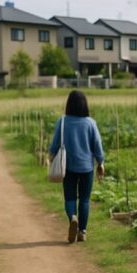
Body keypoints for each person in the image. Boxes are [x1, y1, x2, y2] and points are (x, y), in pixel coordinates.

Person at [48, 90, 105, 243]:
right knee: (85, 200)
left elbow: (55, 144)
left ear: (69, 104)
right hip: (87, 167)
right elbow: (97, 145)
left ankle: (73, 217)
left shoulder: (63, 122)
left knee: (70, 197)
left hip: (67, 167)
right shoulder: (90, 123)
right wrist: (100, 162)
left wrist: (51, 158)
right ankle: (82, 232)